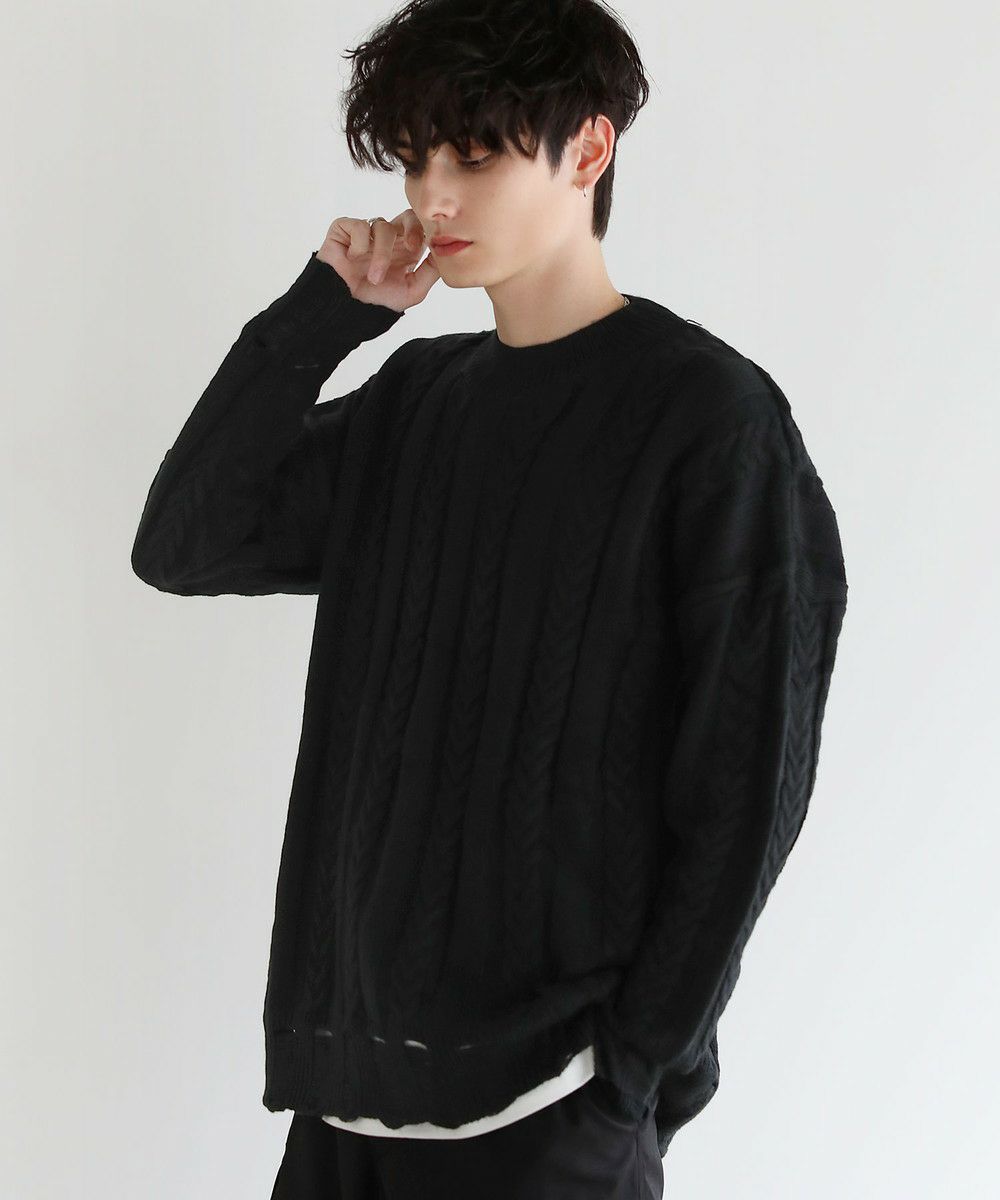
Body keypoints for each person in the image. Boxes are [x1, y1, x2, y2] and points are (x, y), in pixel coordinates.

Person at [130, 1, 849, 1196]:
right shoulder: (416, 403)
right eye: (415, 160)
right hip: (349, 1104)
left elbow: (744, 785)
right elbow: (185, 541)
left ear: (588, 149)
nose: (434, 198)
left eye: (473, 156)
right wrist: (326, 313)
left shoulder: (708, 422)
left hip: (552, 1111)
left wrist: (630, 1070)